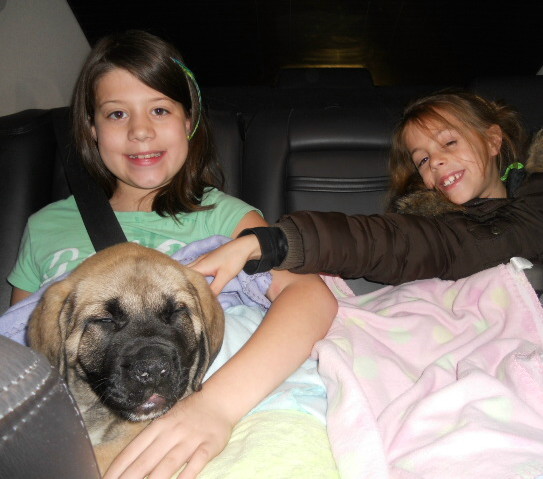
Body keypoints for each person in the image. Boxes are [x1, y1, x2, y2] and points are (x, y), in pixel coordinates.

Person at [7, 31, 337, 478]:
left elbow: (311, 298)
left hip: (213, 410)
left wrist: (214, 407)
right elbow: (21, 358)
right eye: (117, 113)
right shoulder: (46, 227)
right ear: (91, 129)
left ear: (188, 121)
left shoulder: (223, 217)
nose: (140, 130)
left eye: (160, 110)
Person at [191, 91, 543, 292]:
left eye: (449, 141)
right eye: (422, 160)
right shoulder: (445, 232)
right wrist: (272, 242)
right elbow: (388, 242)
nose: (436, 161)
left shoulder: (534, 198)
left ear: (493, 140)